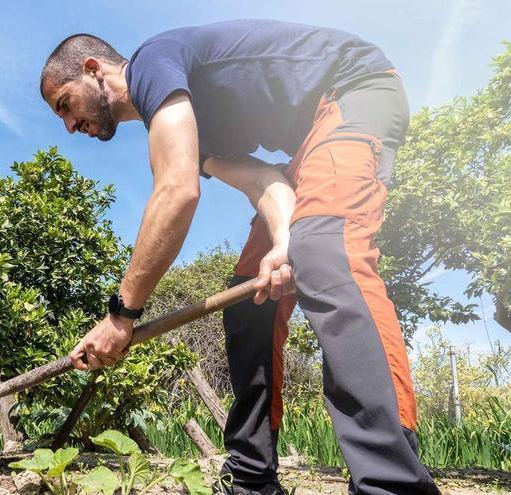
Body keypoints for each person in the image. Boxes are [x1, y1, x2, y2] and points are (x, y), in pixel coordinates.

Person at [39, 19, 440, 495]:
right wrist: (284, 242)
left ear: (94, 70)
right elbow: (263, 183)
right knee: (248, 297)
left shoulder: (151, 62)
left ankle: (392, 480)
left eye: (66, 104)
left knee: (328, 251)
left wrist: (122, 315)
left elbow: (177, 191)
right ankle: (252, 478)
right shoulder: (183, 120)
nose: (68, 126)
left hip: (353, 90)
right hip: (306, 150)